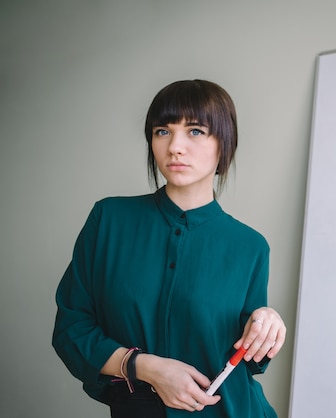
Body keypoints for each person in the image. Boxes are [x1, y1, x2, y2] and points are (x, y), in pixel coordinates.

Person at [52, 79, 286, 417]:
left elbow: (246, 358)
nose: (175, 146)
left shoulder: (250, 246)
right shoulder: (109, 220)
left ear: (224, 143)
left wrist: (266, 321)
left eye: (195, 131)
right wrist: (145, 367)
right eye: (163, 131)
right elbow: (71, 330)